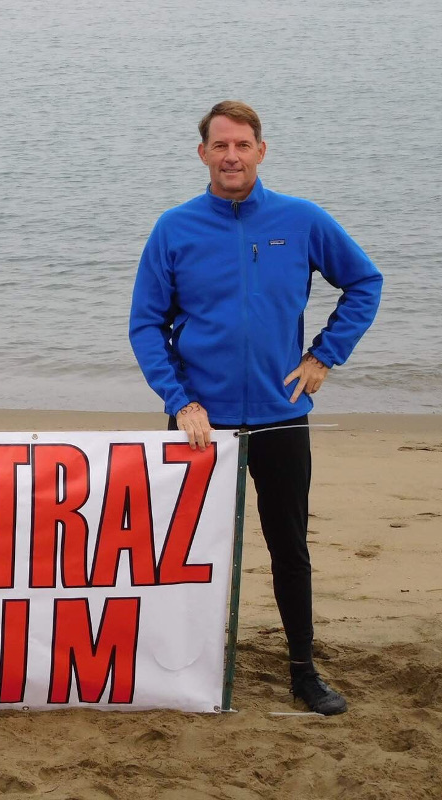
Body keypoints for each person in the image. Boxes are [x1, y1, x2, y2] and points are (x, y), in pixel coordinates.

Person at [129, 101, 382, 715]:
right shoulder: (175, 227)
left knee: (289, 546)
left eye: (243, 145)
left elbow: (364, 282)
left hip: (279, 414)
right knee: (184, 551)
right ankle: (180, 666)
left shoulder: (300, 220)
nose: (232, 156)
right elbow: (144, 325)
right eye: (221, 146)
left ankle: (302, 671)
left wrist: (324, 355)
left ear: (261, 150)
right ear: (203, 154)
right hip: (200, 426)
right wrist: (180, 399)